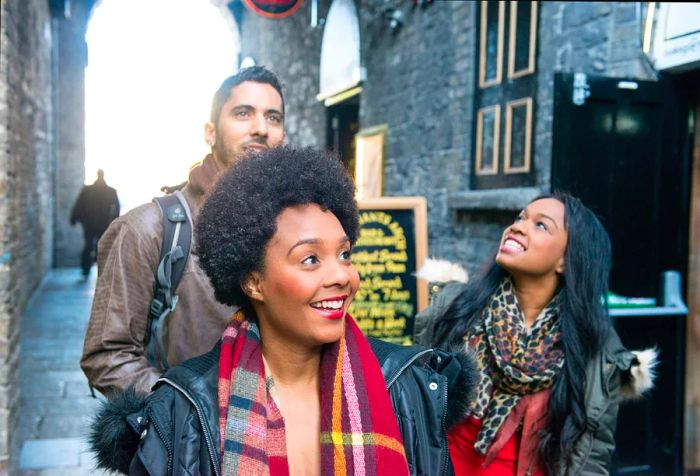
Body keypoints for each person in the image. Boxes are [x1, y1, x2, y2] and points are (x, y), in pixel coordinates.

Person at [89, 147, 478, 476]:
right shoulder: (182, 412)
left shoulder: (409, 389)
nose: (342, 275)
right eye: (310, 259)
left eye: (345, 254)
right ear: (253, 282)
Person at [414, 192, 658, 476]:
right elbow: (414, 413)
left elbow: (593, 453)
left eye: (541, 225)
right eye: (520, 217)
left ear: (566, 261)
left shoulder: (595, 348)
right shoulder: (454, 310)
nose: (517, 226)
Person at [81, 66, 286, 396]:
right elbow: (108, 356)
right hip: (188, 441)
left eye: (273, 117)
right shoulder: (149, 228)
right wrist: (187, 413)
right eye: (243, 113)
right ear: (211, 132)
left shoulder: (294, 227)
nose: (261, 128)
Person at [70, 169, 120, 279]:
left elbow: (79, 205)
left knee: (89, 245)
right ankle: (101, 270)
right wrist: (115, 222)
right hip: (103, 223)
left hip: (90, 223)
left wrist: (74, 219)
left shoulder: (88, 190)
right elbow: (116, 208)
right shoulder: (110, 191)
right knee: (102, 247)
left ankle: (86, 269)